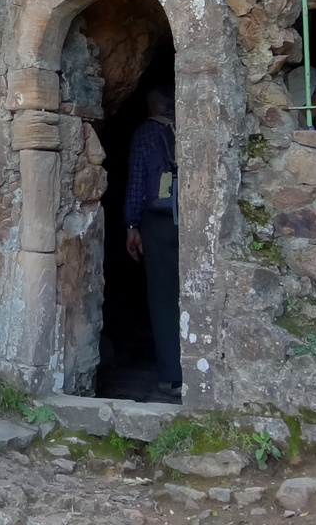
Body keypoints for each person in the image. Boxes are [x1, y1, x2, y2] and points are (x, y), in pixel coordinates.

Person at [123, 86, 181, 400]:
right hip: (190, 217)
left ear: (152, 107)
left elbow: (135, 182)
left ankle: (172, 376)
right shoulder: (188, 127)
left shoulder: (146, 132)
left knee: (163, 296)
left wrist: (131, 225)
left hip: (157, 223)